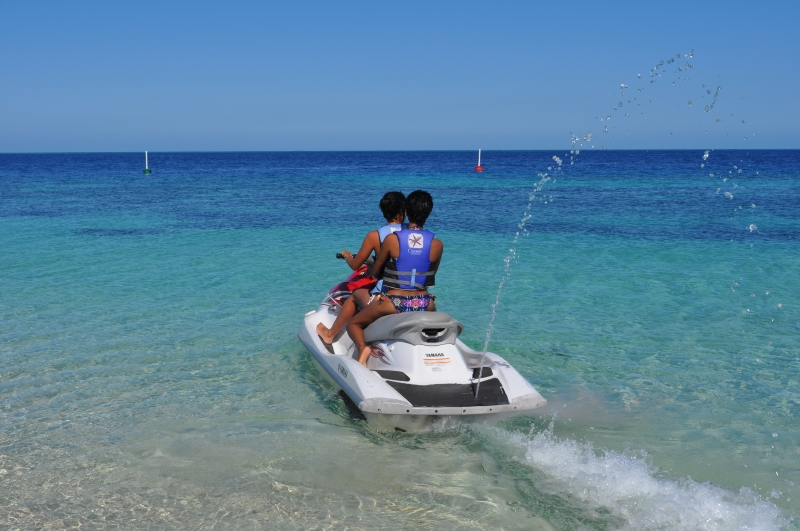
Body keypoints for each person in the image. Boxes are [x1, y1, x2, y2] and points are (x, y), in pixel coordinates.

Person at [347, 190, 443, 366]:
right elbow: (430, 276)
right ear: (428, 212)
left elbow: (376, 272)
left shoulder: (392, 240)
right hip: (425, 303)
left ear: (406, 211)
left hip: (395, 302)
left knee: (353, 324)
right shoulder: (437, 244)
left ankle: (362, 349)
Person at [316, 191, 406, 345]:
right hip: (412, 294)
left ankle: (329, 335)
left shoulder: (375, 236)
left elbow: (355, 265)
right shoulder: (414, 234)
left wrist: (347, 255)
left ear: (384, 211)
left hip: (387, 296)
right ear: (404, 211)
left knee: (355, 295)